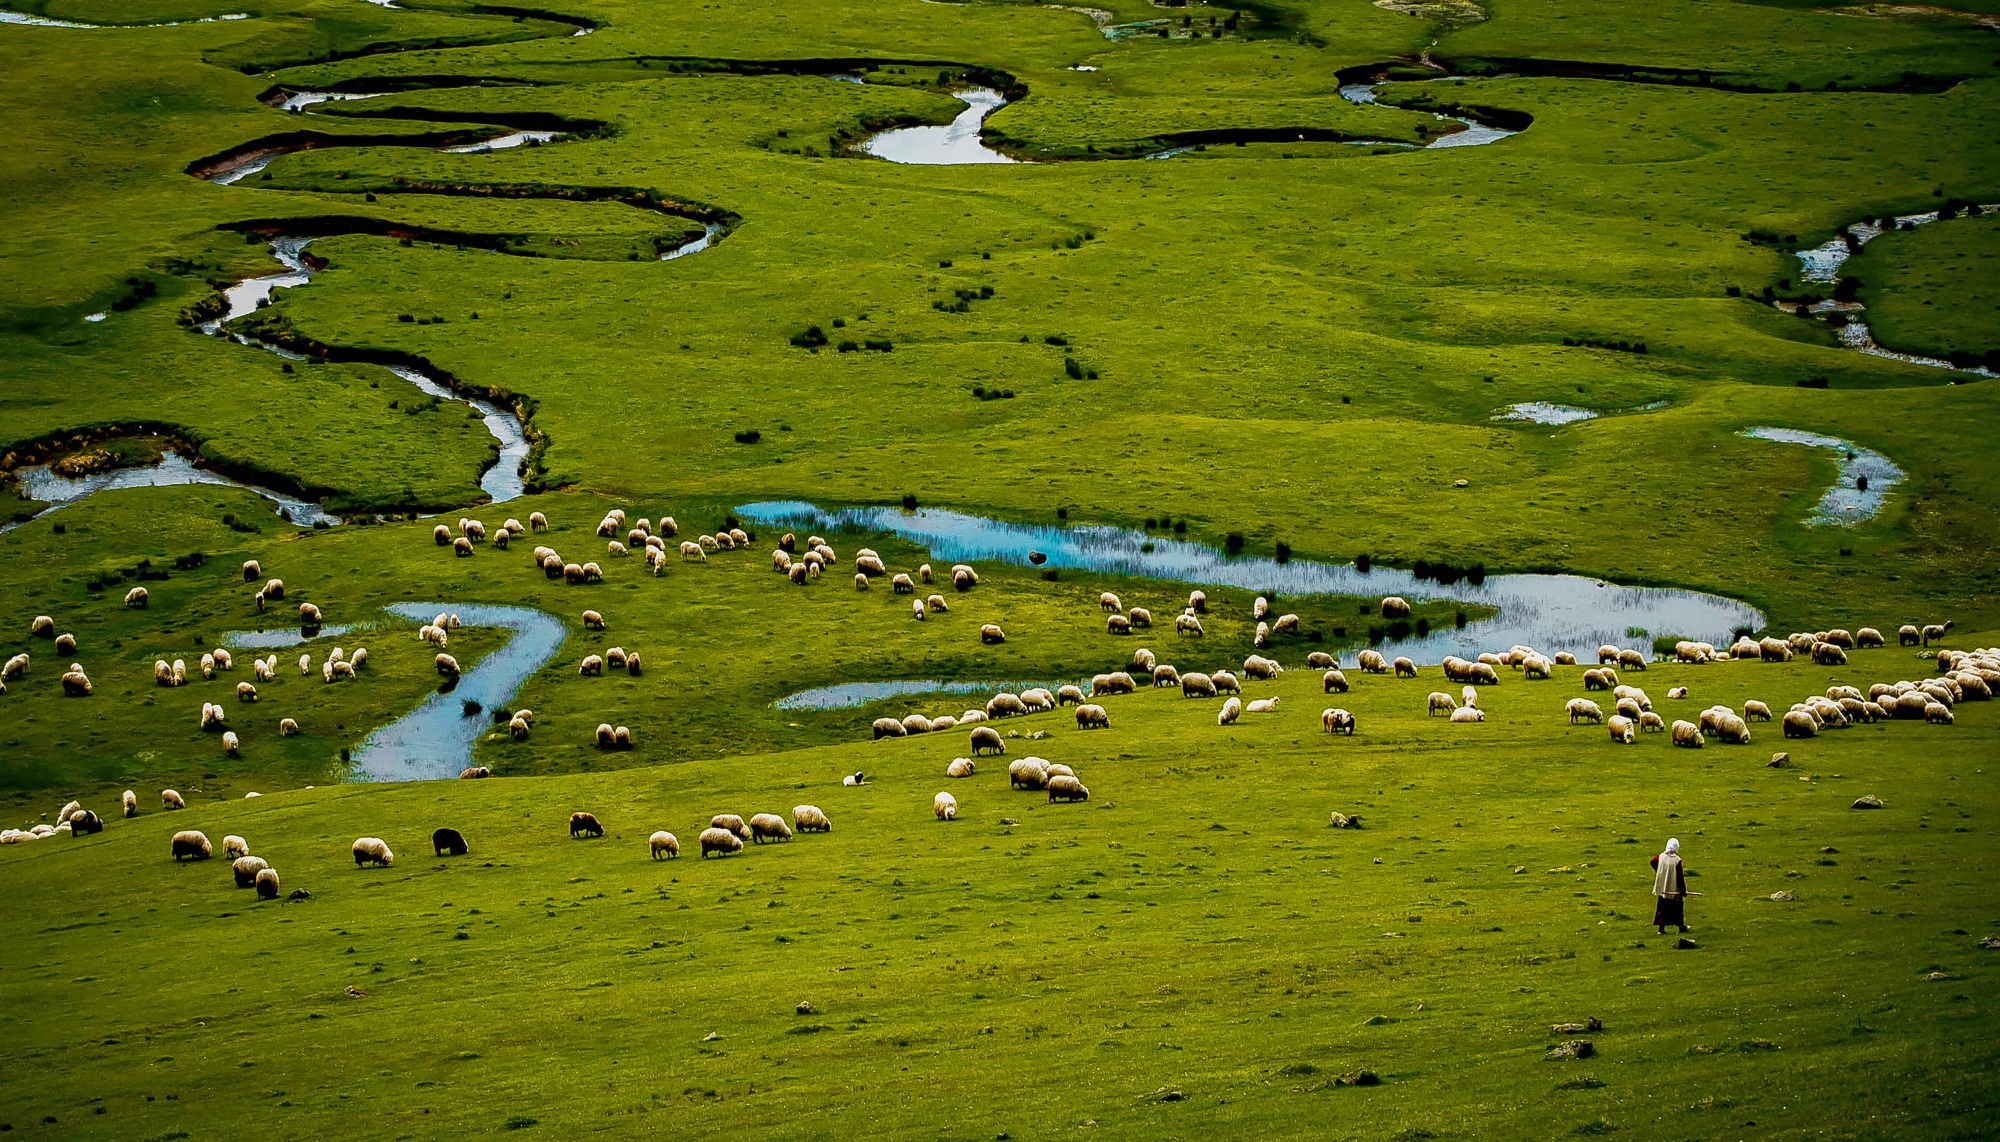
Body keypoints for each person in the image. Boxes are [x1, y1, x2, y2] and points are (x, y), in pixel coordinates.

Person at [1650, 838, 1688, 934]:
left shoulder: (1661, 857)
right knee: (1678, 907)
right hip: (1673, 888)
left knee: (1662, 907)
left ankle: (1661, 929)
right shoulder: (1677, 861)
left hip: (1662, 887)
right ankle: (1681, 927)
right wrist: (1683, 890)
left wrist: (1660, 872)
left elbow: (1652, 862)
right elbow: (1680, 877)